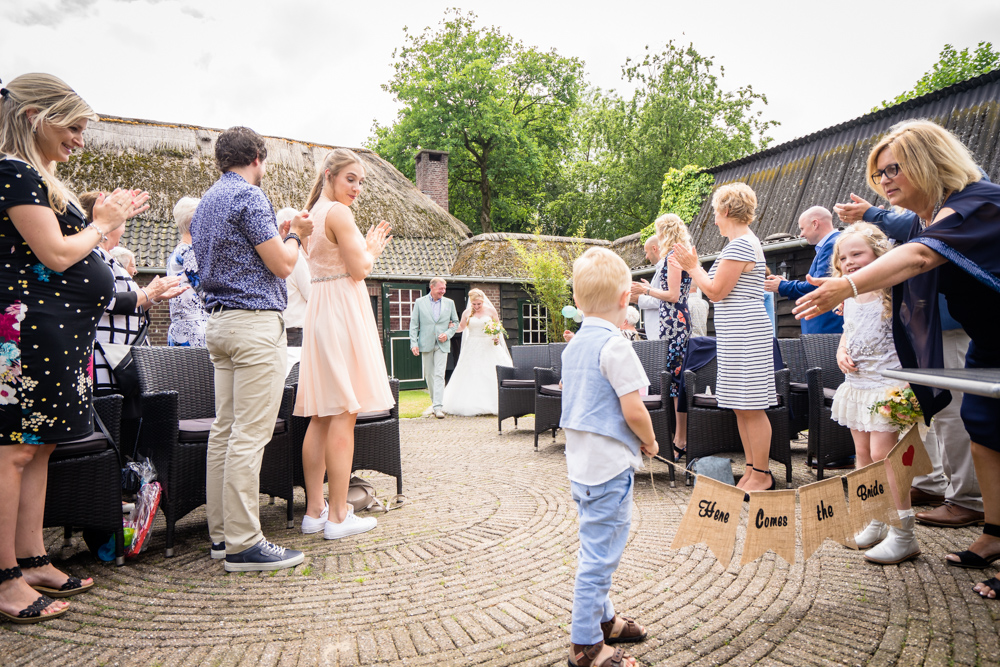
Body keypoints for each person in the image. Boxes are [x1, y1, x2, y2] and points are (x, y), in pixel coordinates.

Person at [794, 119, 1000, 599]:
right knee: (984, 428)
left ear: (929, 161)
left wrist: (846, 285)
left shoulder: (978, 203)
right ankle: (994, 533)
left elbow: (919, 257)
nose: (884, 181)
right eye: (879, 173)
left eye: (893, 169)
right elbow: (909, 234)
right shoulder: (928, 216)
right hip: (990, 340)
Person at [0, 73, 144, 623]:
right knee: (12, 449)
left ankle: (33, 557)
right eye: (74, 126)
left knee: (41, 448)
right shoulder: (11, 172)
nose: (81, 139)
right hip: (26, 332)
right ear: (36, 116)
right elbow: (57, 254)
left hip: (59, 333)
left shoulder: (42, 177)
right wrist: (103, 225)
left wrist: (107, 224)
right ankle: (6, 576)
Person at [191, 126, 313, 572]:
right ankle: (245, 543)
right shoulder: (250, 196)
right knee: (250, 433)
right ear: (258, 157)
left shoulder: (206, 203)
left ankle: (222, 536)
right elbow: (281, 264)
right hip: (254, 326)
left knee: (224, 432)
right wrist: (296, 234)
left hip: (219, 323)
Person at [835, 194, 984, 527]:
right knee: (929, 421)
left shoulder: (954, 200)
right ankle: (927, 483)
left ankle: (966, 498)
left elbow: (926, 236)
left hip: (944, 325)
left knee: (952, 414)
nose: (889, 182)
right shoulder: (905, 214)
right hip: (880, 364)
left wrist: (874, 214)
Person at [561, 247, 656, 667]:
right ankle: (585, 646)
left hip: (580, 466)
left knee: (593, 546)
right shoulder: (616, 346)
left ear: (578, 302)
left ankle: (605, 619)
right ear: (626, 300)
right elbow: (634, 409)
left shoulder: (573, 346)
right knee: (599, 559)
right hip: (609, 468)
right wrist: (651, 442)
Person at [295, 148, 394, 541]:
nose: (356, 187)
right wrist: (372, 250)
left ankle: (314, 511)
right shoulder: (337, 213)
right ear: (330, 174)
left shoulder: (312, 214)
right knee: (344, 410)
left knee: (321, 413)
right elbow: (359, 269)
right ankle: (338, 515)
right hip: (341, 311)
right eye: (350, 178)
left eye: (361, 181)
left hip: (321, 310)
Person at [671, 183, 777, 493]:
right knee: (742, 406)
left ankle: (762, 474)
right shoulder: (741, 243)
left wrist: (692, 268)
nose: (715, 219)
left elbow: (716, 292)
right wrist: (696, 269)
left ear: (726, 210)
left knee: (752, 406)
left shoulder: (741, 244)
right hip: (737, 333)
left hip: (746, 333)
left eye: (716, 212)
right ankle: (751, 470)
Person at [827, 223, 920, 563]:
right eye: (843, 257)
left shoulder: (891, 291)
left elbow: (913, 335)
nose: (849, 262)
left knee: (886, 458)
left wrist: (911, 379)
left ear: (878, 255)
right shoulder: (848, 295)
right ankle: (876, 519)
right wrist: (841, 351)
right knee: (863, 458)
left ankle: (903, 532)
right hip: (857, 386)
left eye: (857, 254)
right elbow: (847, 331)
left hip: (886, 384)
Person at [80, 192, 186, 405]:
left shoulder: (110, 258)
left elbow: (127, 302)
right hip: (108, 359)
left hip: (122, 354)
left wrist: (154, 297)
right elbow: (108, 302)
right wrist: (149, 291)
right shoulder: (93, 256)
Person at [764, 206, 843, 334]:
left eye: (802, 228)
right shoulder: (831, 244)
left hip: (826, 327)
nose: (801, 234)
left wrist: (783, 286)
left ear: (815, 224)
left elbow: (819, 286)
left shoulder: (831, 245)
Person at [441, 288, 513, 416]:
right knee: (471, 371)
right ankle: (470, 404)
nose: (476, 306)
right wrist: (451, 327)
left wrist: (496, 336)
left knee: (490, 370)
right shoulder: (467, 313)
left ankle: (499, 402)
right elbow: (462, 327)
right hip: (472, 345)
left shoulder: (491, 311)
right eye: (474, 304)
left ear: (483, 301)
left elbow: (498, 327)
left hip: (488, 344)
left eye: (479, 304)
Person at [409, 278, 459, 419]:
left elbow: (455, 322)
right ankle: (434, 402)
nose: (443, 291)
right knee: (429, 375)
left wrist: (448, 334)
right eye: (440, 288)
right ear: (432, 287)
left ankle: (438, 407)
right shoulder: (420, 302)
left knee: (439, 375)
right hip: (425, 342)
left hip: (442, 344)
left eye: (444, 288)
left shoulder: (450, 303)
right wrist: (414, 343)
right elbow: (414, 324)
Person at [166, 196, 209, 347]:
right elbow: (205, 291)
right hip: (195, 331)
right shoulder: (189, 252)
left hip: (179, 329)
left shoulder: (176, 252)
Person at [277, 207, 311, 347]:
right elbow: (310, 294)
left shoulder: (273, 255)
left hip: (278, 328)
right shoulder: (296, 258)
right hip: (295, 331)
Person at [632, 235, 663, 339]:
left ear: (654, 248)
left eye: (646, 252)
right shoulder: (660, 268)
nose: (646, 257)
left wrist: (639, 298)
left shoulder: (664, 268)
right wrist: (648, 288)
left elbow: (661, 300)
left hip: (659, 332)